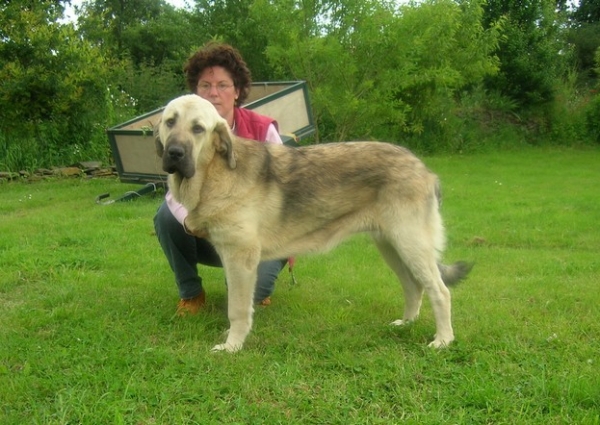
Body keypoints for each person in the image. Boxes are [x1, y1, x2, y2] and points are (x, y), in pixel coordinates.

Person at [153, 41, 287, 316]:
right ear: (196, 91)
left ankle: (255, 282)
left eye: (223, 85)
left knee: (249, 293)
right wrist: (191, 222)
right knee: (166, 217)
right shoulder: (179, 129)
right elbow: (174, 193)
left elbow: (284, 190)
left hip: (260, 236)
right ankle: (191, 293)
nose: (213, 93)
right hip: (207, 230)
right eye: (205, 85)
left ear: (237, 92)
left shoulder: (263, 129)